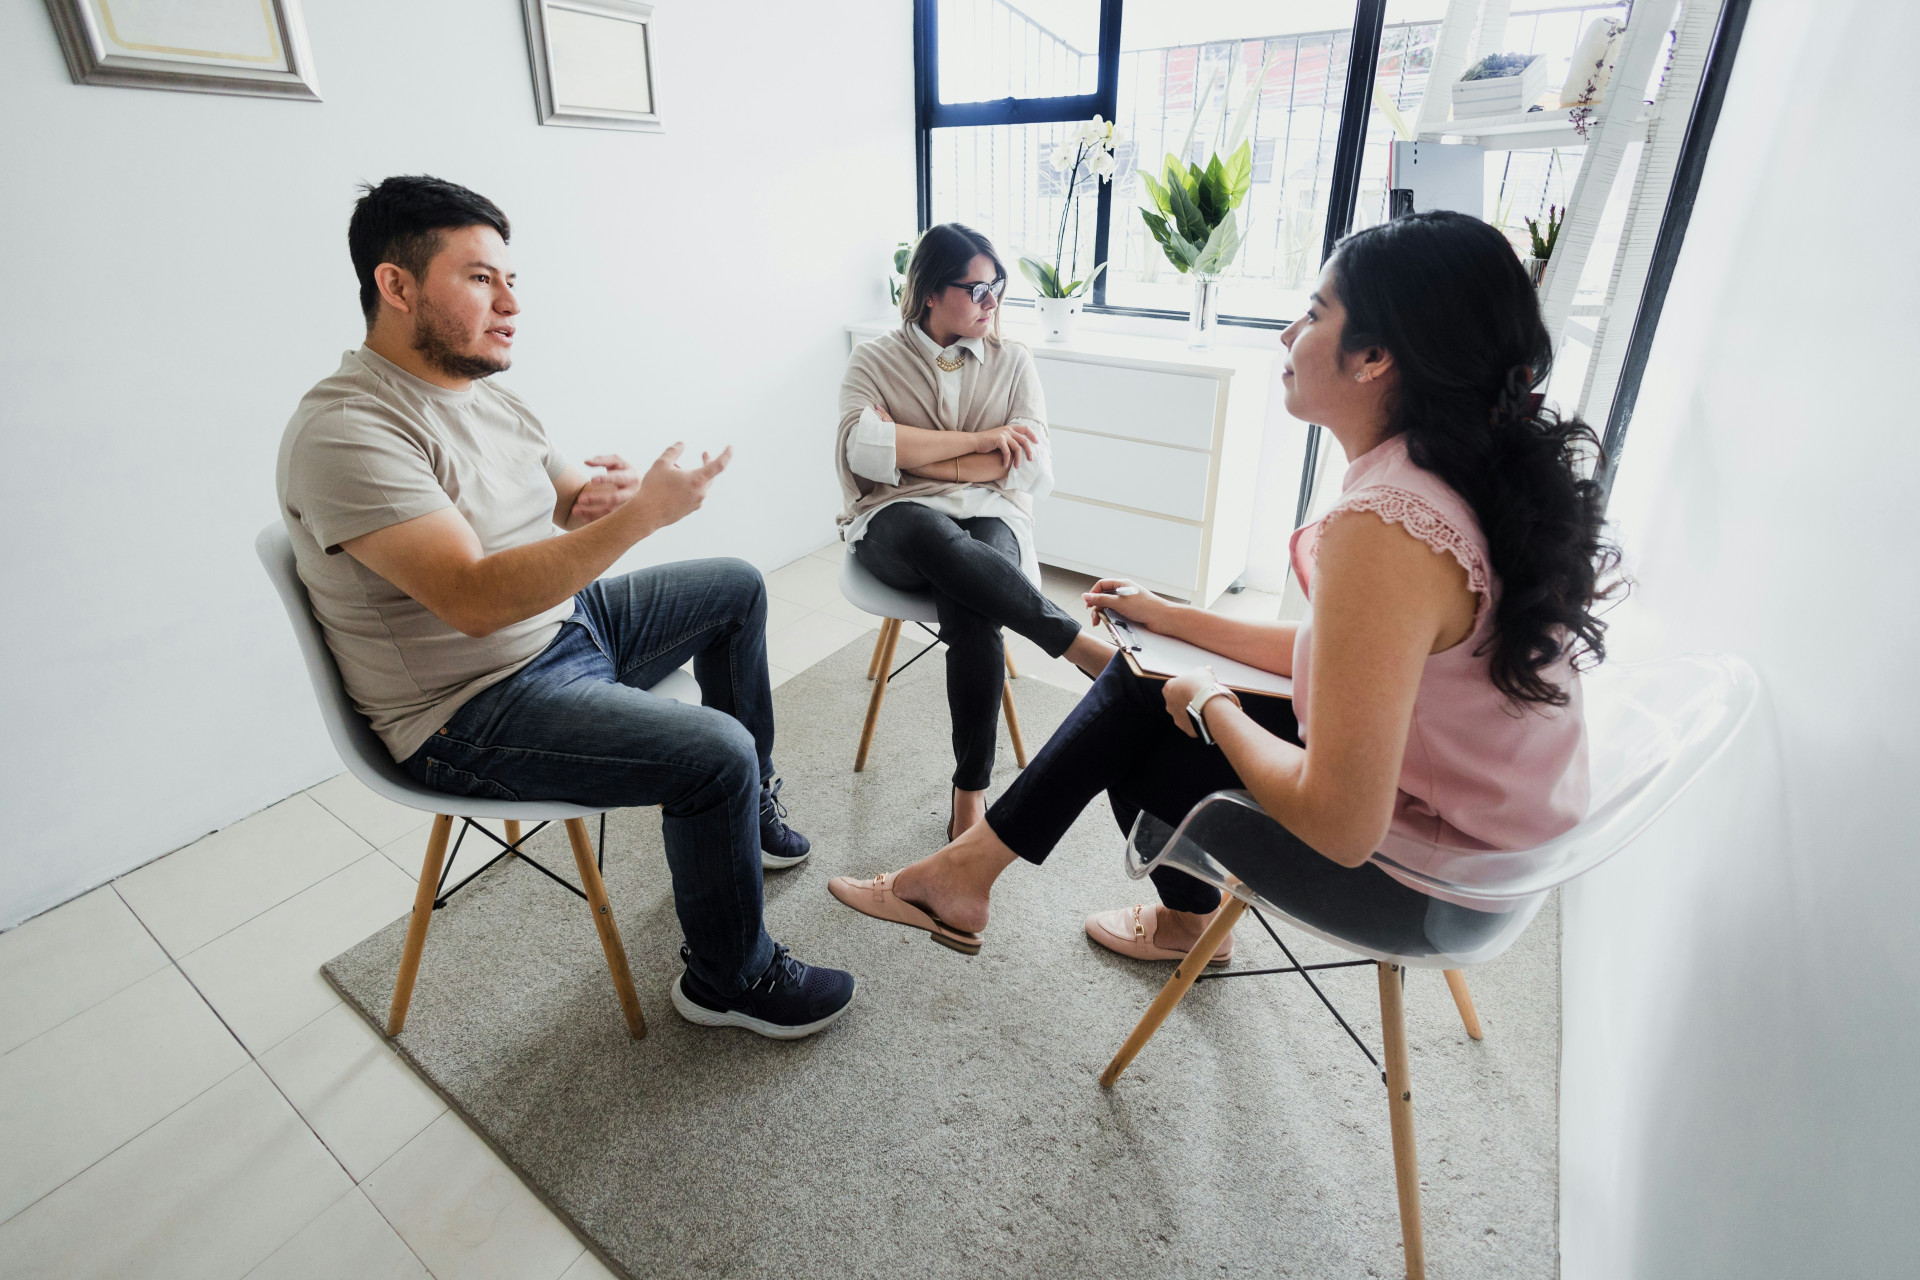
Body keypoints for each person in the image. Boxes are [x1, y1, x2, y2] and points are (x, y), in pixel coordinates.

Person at [827, 210, 1617, 964]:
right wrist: (1172, 620)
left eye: (1314, 313)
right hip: (1484, 851)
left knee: (1145, 740)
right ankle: (969, 876)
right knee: (1144, 674)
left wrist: (1212, 702)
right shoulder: (1459, 474)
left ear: (1375, 357)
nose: (1287, 334)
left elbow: (1339, 824)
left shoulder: (1389, 527)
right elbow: (1340, 652)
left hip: (1432, 890)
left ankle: (1105, 907)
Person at [277, 175, 854, 1039]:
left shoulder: (483, 389)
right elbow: (473, 600)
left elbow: (566, 500)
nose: (511, 303)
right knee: (715, 753)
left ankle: (746, 810)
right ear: (396, 285)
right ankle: (727, 979)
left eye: (510, 279)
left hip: (563, 629)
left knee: (736, 586)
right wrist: (641, 519)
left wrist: (606, 500)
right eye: (480, 279)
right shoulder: (348, 431)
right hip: (471, 706)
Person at [834, 223, 1116, 837]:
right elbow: (864, 453)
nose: (992, 301)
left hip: (992, 512)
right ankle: (1072, 642)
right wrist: (984, 442)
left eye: (997, 286)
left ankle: (970, 797)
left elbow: (1031, 466)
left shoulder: (1013, 360)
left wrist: (913, 451)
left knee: (974, 611)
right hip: (896, 518)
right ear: (930, 292)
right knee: (931, 534)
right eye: (976, 288)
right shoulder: (874, 360)